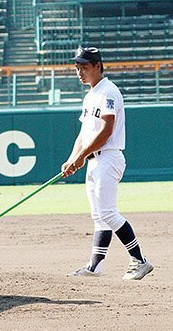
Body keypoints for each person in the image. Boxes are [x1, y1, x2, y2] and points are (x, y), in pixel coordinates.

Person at [61, 47, 153, 280]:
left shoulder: (108, 91)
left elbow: (106, 130)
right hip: (94, 160)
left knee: (108, 213)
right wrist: (73, 158)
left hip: (108, 156)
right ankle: (94, 267)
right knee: (98, 216)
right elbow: (83, 133)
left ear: (97, 66)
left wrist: (82, 156)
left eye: (84, 67)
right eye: (77, 68)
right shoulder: (90, 95)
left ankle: (139, 261)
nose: (79, 72)